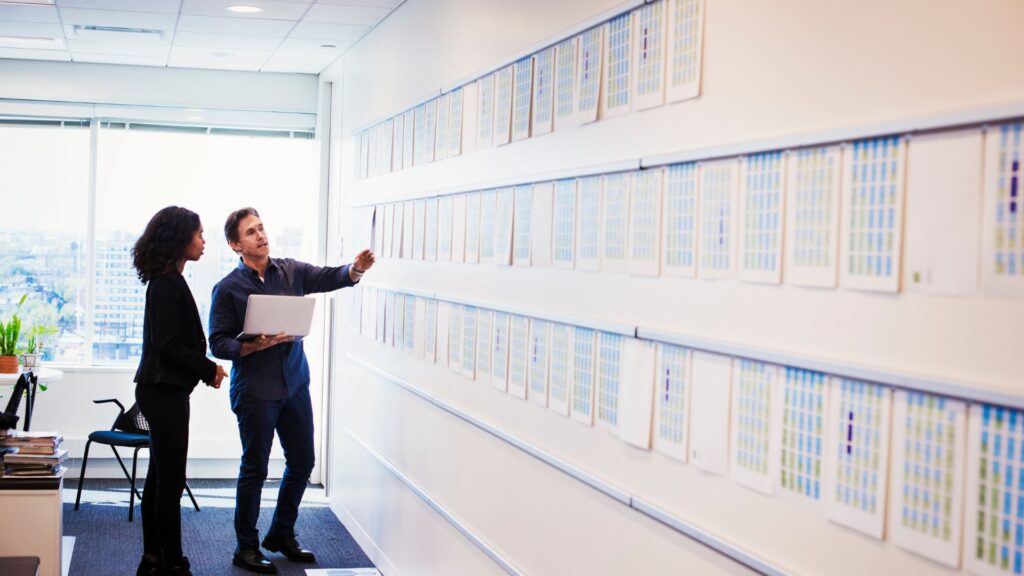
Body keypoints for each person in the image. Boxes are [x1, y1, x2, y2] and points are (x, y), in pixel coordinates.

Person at [209, 207, 375, 574]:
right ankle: (245, 547)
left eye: (262, 228)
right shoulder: (227, 289)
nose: (261, 236)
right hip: (255, 389)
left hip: (295, 384)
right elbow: (217, 343)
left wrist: (356, 269)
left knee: (302, 461)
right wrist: (250, 346)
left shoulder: (291, 271)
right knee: (255, 468)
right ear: (236, 244)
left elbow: (331, 276)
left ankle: (281, 533)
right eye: (251, 232)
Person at [131, 206, 228, 576]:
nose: (203, 241)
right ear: (180, 238)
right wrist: (209, 369)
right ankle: (174, 561)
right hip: (164, 392)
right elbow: (169, 344)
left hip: (161, 390)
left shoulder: (166, 280)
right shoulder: (167, 283)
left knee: (159, 480)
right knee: (170, 482)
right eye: (199, 234)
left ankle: (153, 557)